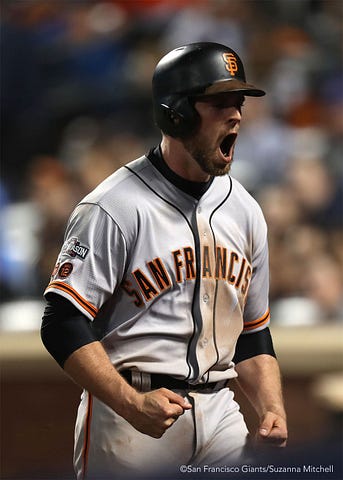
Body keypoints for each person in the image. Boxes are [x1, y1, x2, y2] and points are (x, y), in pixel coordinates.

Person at [41, 42, 288, 479]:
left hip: (220, 412)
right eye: (218, 103)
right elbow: (61, 321)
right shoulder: (113, 207)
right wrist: (129, 403)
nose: (236, 115)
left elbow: (252, 331)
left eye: (239, 103)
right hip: (132, 414)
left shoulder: (245, 209)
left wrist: (270, 407)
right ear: (176, 113)